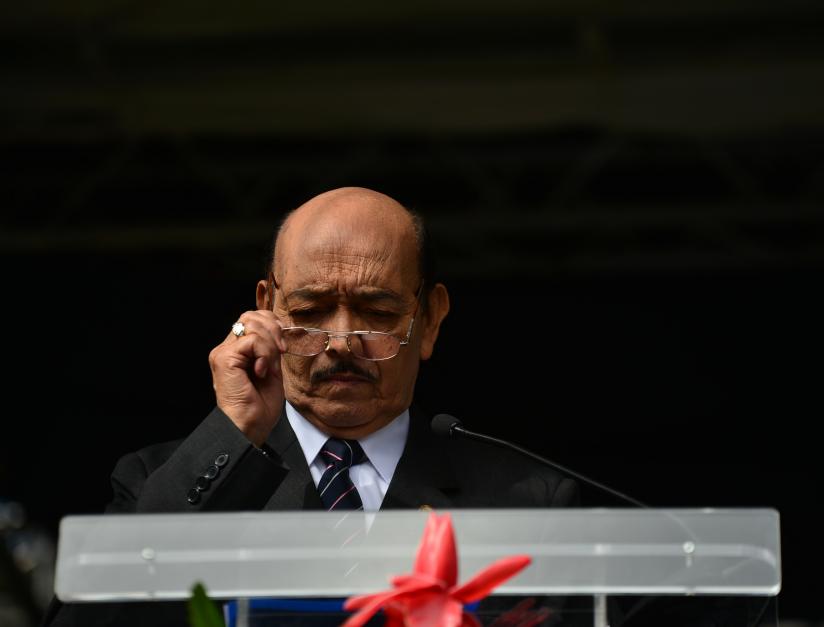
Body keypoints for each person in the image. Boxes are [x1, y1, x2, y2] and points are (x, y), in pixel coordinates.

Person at [45, 187, 576, 626]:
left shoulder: (530, 503)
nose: (341, 340)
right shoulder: (159, 477)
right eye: (310, 309)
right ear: (266, 309)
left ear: (430, 319)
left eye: (376, 311)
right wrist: (233, 434)